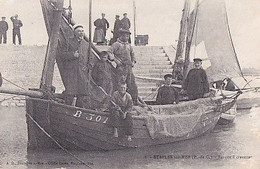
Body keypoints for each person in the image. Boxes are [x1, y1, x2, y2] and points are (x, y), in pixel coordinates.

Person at [58, 24, 94, 108]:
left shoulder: (86, 44)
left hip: (83, 72)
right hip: (71, 72)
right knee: (70, 92)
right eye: (79, 31)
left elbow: (90, 57)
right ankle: (68, 109)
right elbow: (62, 55)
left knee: (83, 93)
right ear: (74, 33)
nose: (81, 33)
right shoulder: (68, 42)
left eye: (82, 31)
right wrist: (72, 55)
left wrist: (89, 66)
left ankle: (81, 110)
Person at [107, 29, 139, 105]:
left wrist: (133, 61)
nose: (127, 37)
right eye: (125, 35)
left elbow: (132, 54)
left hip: (129, 68)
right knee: (121, 83)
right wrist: (115, 60)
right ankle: (119, 102)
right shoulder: (116, 44)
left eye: (128, 36)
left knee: (132, 84)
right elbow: (109, 52)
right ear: (120, 36)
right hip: (121, 68)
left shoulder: (129, 45)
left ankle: (134, 100)